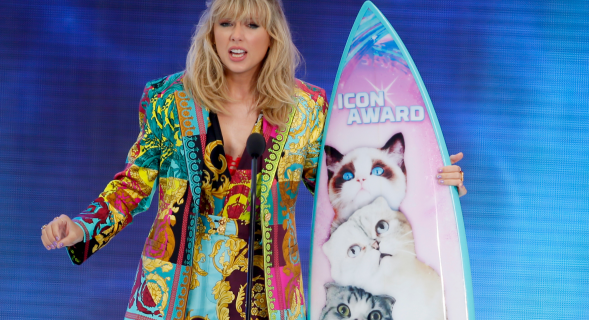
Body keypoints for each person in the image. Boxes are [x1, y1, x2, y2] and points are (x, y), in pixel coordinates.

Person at [40, 0, 467, 319]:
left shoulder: (308, 107)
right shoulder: (168, 100)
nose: (236, 36)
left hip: (270, 295)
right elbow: (134, 184)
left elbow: (342, 194)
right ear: (210, 32)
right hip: (176, 288)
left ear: (272, 34)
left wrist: (431, 181)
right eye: (225, 23)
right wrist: (81, 227)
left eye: (250, 24)